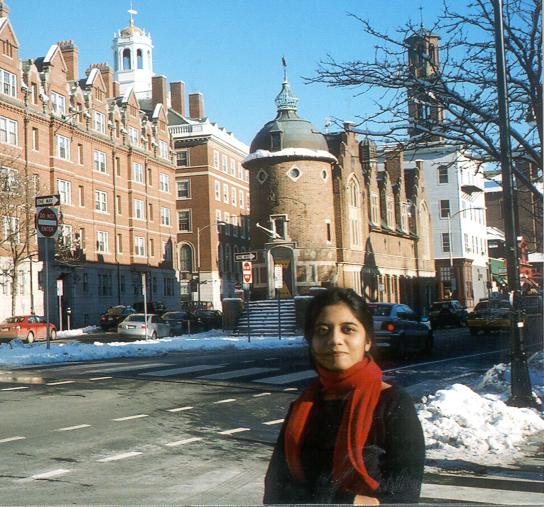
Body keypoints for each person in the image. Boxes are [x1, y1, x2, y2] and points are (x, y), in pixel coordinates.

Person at [263, 288, 425, 504]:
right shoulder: (303, 407)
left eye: (348, 329)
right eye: (322, 330)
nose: (334, 340)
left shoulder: (392, 403)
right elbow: (275, 491)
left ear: (367, 340)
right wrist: (347, 500)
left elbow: (405, 495)